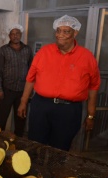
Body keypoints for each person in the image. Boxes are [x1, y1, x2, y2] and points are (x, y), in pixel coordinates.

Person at [17, 15, 101, 151]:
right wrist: (23, 102)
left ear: (75, 33)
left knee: (60, 149)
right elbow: (30, 78)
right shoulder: (44, 52)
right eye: (58, 31)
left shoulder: (86, 57)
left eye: (66, 31)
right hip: (41, 107)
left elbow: (94, 86)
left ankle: (54, 172)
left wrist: (91, 115)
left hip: (68, 111)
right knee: (35, 145)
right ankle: (35, 171)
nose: (60, 35)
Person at [0, 24, 33, 137]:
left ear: (21, 35)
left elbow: (32, 70)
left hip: (22, 91)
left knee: (20, 119)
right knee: (1, 118)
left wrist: (30, 90)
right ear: (9, 35)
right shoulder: (3, 50)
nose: (15, 36)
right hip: (7, 90)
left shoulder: (27, 50)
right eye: (13, 33)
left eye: (17, 33)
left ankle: (18, 142)